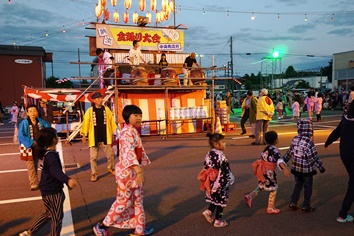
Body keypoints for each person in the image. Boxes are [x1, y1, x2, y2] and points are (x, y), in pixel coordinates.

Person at [93, 105, 154, 236]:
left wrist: (139, 170)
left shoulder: (131, 131)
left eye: (140, 116)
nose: (138, 118)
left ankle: (139, 229)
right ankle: (103, 225)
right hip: (128, 172)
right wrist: (139, 171)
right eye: (135, 115)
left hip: (133, 171)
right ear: (127, 117)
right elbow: (128, 154)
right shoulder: (127, 133)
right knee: (124, 201)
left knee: (138, 200)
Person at [19, 127, 77, 236]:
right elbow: (56, 172)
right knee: (57, 218)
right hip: (53, 191)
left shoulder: (46, 153)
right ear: (54, 140)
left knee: (49, 213)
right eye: (56, 135)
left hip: (46, 189)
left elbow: (53, 172)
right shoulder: (51, 156)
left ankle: (30, 231)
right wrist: (67, 180)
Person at [283, 119, 326, 212]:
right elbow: (313, 157)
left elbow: (290, 152)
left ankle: (293, 203)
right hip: (307, 170)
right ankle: (306, 205)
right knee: (308, 187)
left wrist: (284, 160)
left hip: (296, 168)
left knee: (298, 185)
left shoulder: (295, 139)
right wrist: (320, 167)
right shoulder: (309, 142)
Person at [245, 131, 290, 214]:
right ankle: (270, 207)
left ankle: (250, 196)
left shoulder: (266, 148)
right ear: (276, 140)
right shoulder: (274, 150)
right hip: (269, 172)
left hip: (263, 170)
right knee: (274, 188)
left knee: (262, 185)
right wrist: (285, 168)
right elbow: (279, 160)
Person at [324, 101, 354, 223]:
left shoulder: (346, 119)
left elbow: (336, 132)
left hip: (345, 155)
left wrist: (328, 142)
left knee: (352, 179)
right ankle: (343, 214)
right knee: (353, 185)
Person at [198, 133, 234, 227]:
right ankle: (218, 220)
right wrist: (229, 179)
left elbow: (205, 166)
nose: (225, 144)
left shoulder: (209, 154)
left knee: (214, 199)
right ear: (216, 144)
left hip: (210, 181)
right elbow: (225, 170)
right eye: (223, 142)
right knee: (221, 202)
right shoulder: (221, 156)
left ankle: (209, 212)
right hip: (219, 181)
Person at [80, 91, 117, 182]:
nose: (101, 100)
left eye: (101, 98)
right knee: (93, 158)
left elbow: (111, 121)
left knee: (110, 155)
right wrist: (84, 134)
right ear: (94, 100)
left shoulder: (106, 109)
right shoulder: (90, 111)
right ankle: (94, 174)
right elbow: (86, 123)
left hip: (105, 136)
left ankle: (111, 168)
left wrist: (113, 132)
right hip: (94, 137)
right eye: (98, 98)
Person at [18, 105, 51, 190]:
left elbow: (48, 129)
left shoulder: (41, 121)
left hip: (40, 146)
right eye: (31, 111)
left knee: (42, 164)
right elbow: (21, 135)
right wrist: (32, 142)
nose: (33, 113)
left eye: (34, 111)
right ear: (27, 113)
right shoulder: (24, 123)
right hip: (28, 147)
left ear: (37, 112)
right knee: (31, 166)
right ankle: (34, 183)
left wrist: (45, 139)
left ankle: (43, 180)